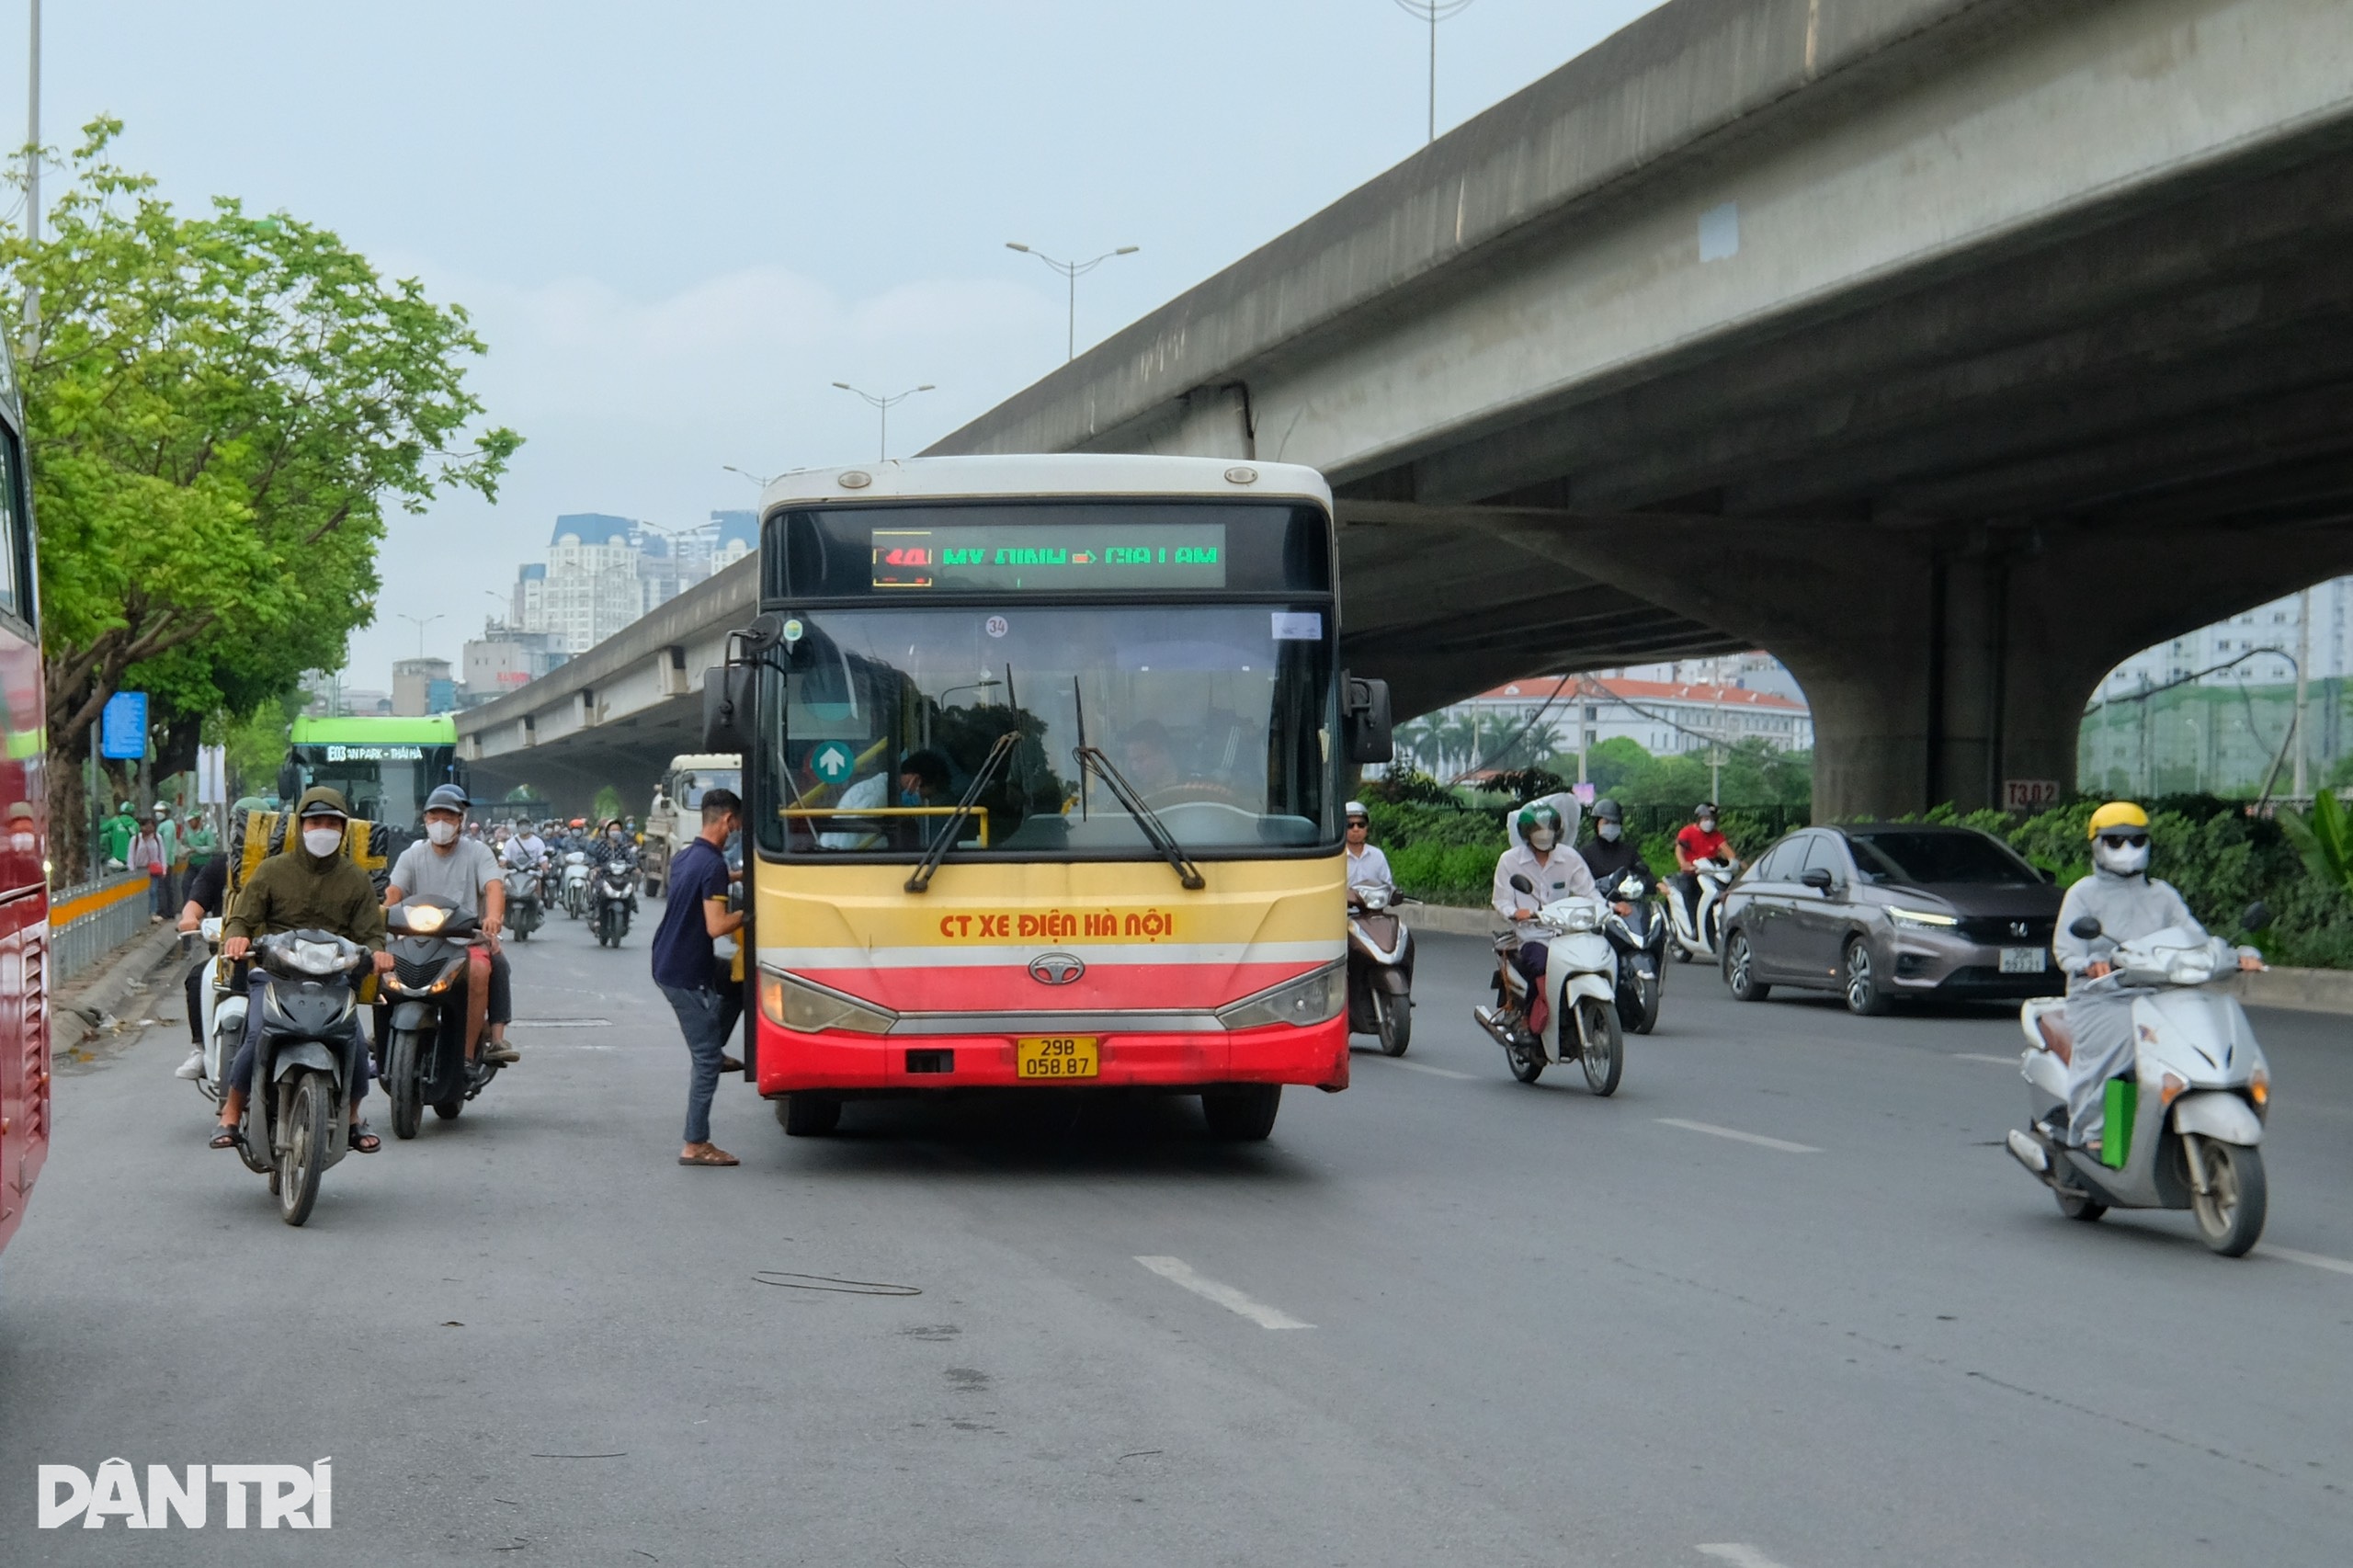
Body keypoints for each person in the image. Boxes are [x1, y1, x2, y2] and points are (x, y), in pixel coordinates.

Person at [2049, 801, 2259, 1156]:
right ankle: (2089, 1130)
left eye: (2136, 839)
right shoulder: (2083, 894)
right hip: (2102, 998)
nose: (2126, 849)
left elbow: (2195, 938)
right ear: (2096, 845)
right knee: (2125, 1043)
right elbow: (2065, 950)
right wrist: (2090, 964)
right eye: (2114, 840)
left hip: (2161, 995)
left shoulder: (2162, 895)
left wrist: (2236, 954)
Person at [211, 788, 393, 1154]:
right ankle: (230, 1114)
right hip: (276, 975)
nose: (322, 829)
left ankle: (354, 1117)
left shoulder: (356, 879)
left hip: (335, 980)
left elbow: (371, 933)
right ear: (301, 825)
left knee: (356, 1043)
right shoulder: (271, 871)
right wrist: (236, 938)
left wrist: (378, 953)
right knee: (257, 1035)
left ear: (343, 830)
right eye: (315, 822)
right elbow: (242, 919)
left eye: (331, 823)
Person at [384, 783, 519, 1067]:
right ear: (425, 821)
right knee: (382, 962)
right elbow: (394, 891)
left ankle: (468, 1055)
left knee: (483, 969)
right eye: (434, 817)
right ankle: (381, 1032)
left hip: (466, 940)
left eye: (448, 817)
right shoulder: (412, 854)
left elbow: (494, 888)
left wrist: (493, 917)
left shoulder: (478, 853)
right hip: (418, 939)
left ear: (461, 821)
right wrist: (381, 911)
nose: (440, 824)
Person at [651, 787, 746, 1167]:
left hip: (672, 958)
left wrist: (742, 874)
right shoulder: (712, 865)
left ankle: (714, 1045)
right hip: (684, 972)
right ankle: (695, 1144)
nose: (737, 829)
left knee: (737, 981)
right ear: (727, 820)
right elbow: (716, 926)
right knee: (704, 1062)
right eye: (736, 823)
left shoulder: (691, 855)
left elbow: (714, 878)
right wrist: (752, 912)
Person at [1490, 798, 1597, 1038]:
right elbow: (1501, 900)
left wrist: (1610, 908)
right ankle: (1531, 1017)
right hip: (1532, 934)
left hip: (1568, 932)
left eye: (1549, 827)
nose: (1544, 833)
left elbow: (1589, 892)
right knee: (1541, 964)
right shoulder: (1510, 860)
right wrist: (1515, 912)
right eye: (1538, 828)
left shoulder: (1569, 858)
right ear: (1527, 832)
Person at [172, 839, 236, 1081]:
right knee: (199, 978)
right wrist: (189, 917)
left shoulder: (282, 867)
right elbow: (196, 901)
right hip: (228, 954)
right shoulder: (221, 866)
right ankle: (202, 1048)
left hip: (275, 955)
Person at [1672, 802, 1736, 927]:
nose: (1709, 823)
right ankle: (1693, 925)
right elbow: (1679, 849)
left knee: (1731, 888)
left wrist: (1733, 860)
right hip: (1693, 871)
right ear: (1699, 819)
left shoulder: (1716, 835)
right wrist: (1683, 863)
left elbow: (1726, 849)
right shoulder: (1687, 832)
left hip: (1710, 871)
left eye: (1712, 820)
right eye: (1706, 819)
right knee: (1688, 891)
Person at [1578, 797, 1654, 900]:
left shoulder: (1629, 852)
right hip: (1598, 906)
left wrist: (1657, 884)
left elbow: (1645, 874)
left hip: (1629, 906)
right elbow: (1579, 884)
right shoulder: (1586, 853)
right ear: (1596, 824)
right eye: (1606, 823)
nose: (1611, 826)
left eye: (1615, 823)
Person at [1342, 801, 1392, 897]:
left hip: (1373, 910)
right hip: (1343, 910)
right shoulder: (1336, 857)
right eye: (1350, 825)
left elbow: (1387, 887)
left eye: (1361, 825)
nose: (1356, 829)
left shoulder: (1377, 855)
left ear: (1367, 827)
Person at [129, 812, 169, 921]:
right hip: (140, 869)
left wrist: (164, 868)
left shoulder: (157, 838)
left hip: (154, 869)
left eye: (151, 826)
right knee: (141, 892)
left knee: (153, 891)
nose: (149, 828)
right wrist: (132, 870)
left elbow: (162, 853)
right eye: (146, 826)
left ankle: (153, 912)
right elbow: (131, 855)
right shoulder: (136, 839)